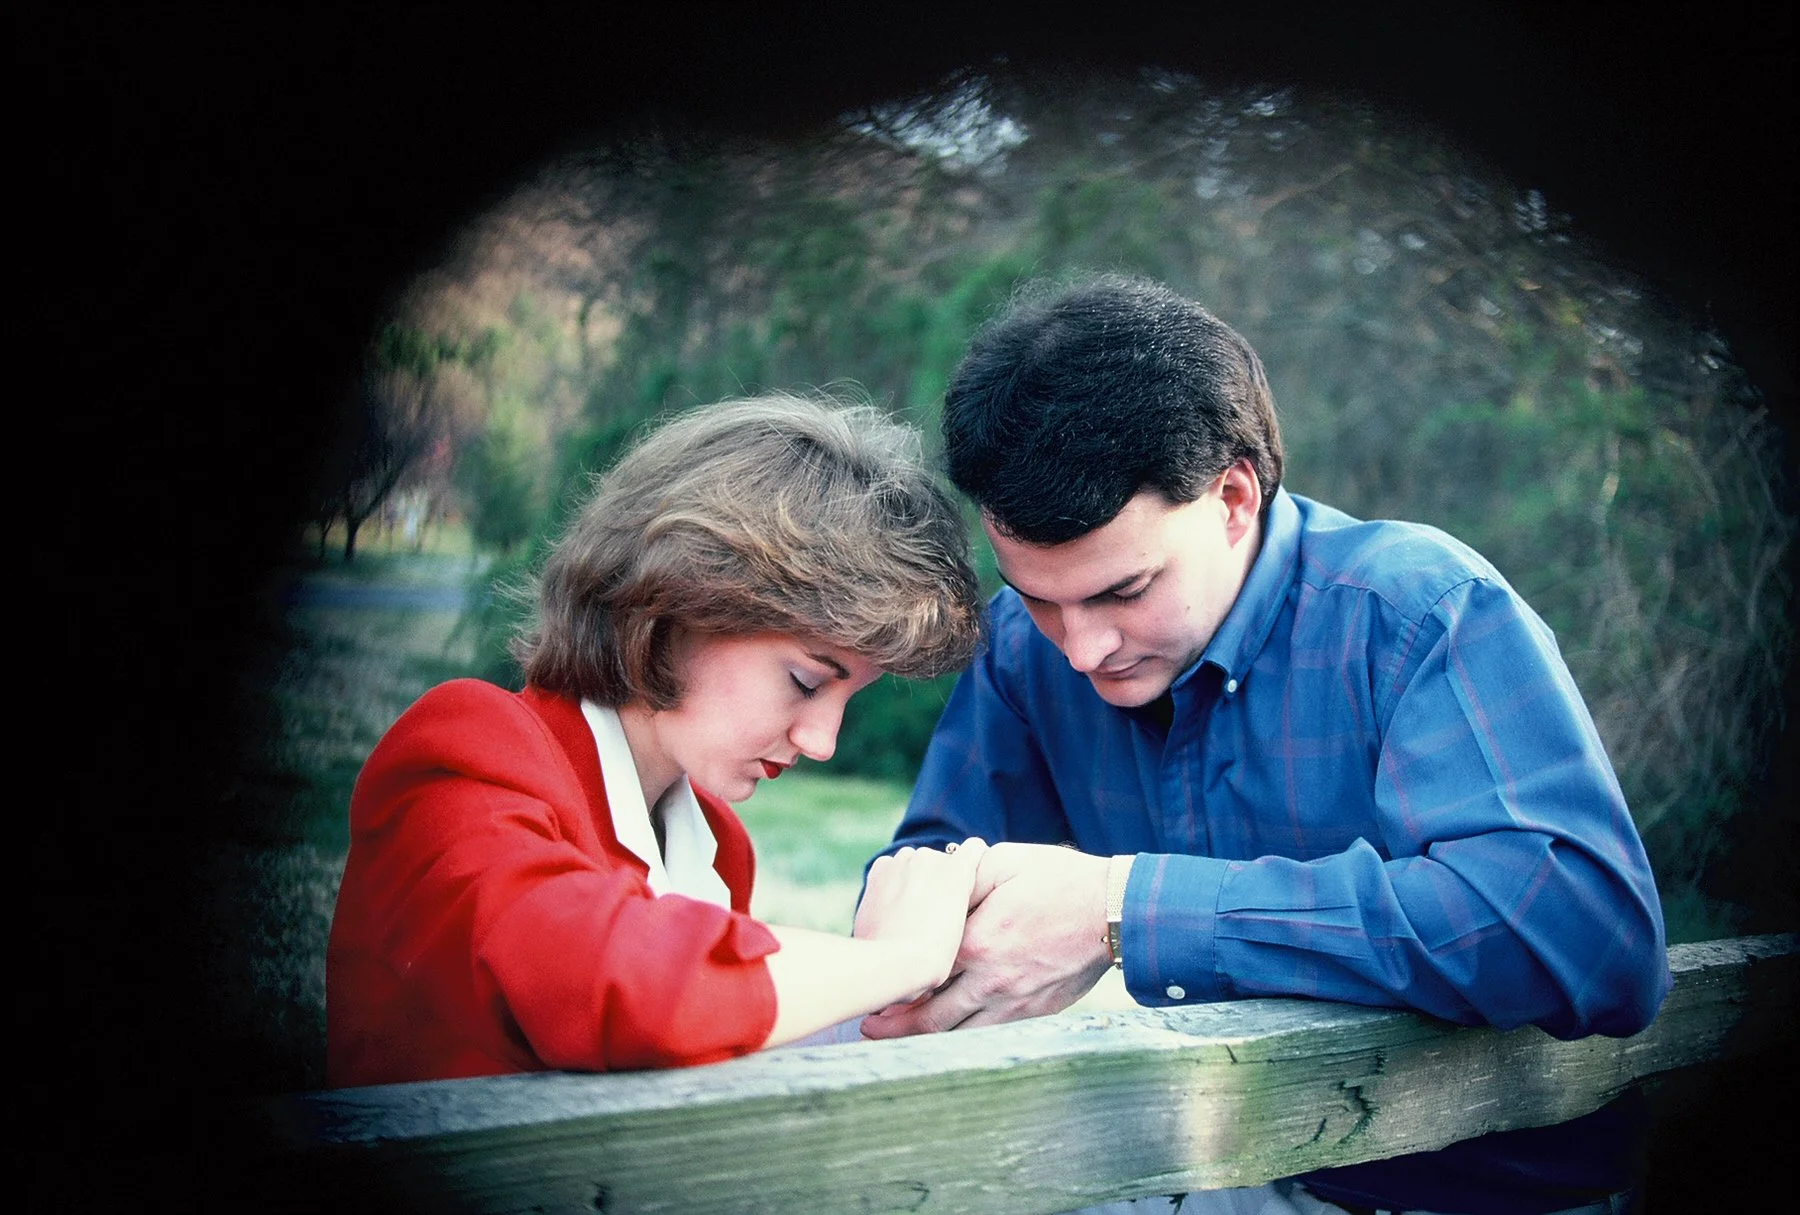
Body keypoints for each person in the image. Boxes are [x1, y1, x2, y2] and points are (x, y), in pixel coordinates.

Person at [865, 277, 1671, 1214]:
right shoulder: (1019, 647)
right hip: (1188, 1167)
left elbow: (1582, 932)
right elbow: (932, 868)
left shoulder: (1418, 612)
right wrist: (917, 919)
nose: (1082, 647)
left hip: (1472, 1194)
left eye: (1123, 591)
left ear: (1234, 497)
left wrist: (1123, 907)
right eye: (1042, 595)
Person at [326, 394, 989, 1087]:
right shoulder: (467, 752)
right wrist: (904, 957)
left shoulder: (718, 847)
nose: (823, 740)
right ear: (681, 604)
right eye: (804, 680)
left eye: (852, 696)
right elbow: (617, 985)